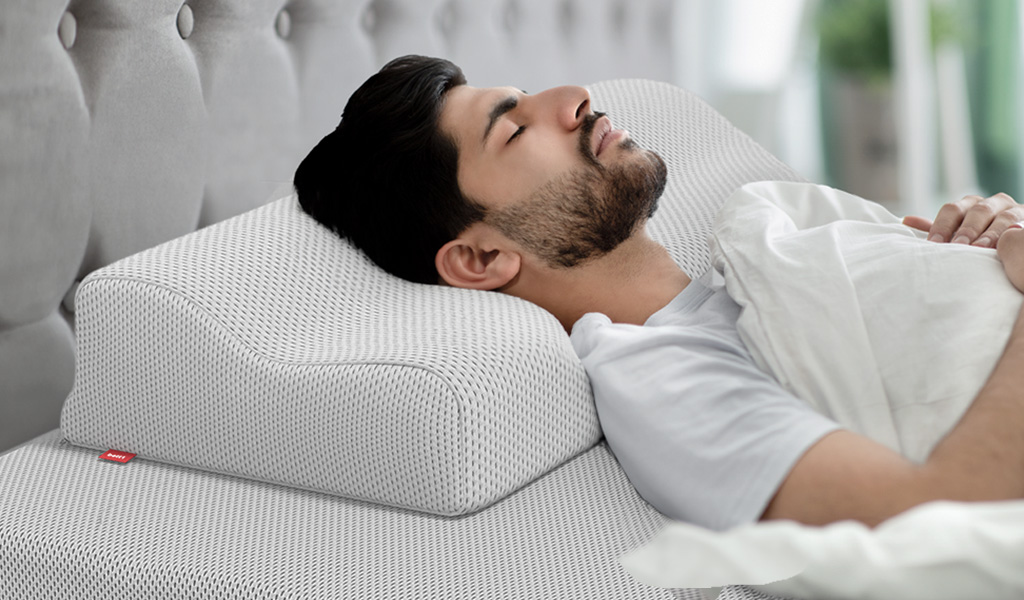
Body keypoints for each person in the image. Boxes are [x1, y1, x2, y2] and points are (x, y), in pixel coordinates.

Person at [294, 55, 1024, 530]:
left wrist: (988, 241)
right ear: (481, 258)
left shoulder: (769, 248)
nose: (576, 97)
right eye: (513, 130)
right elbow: (933, 529)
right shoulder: (662, 379)